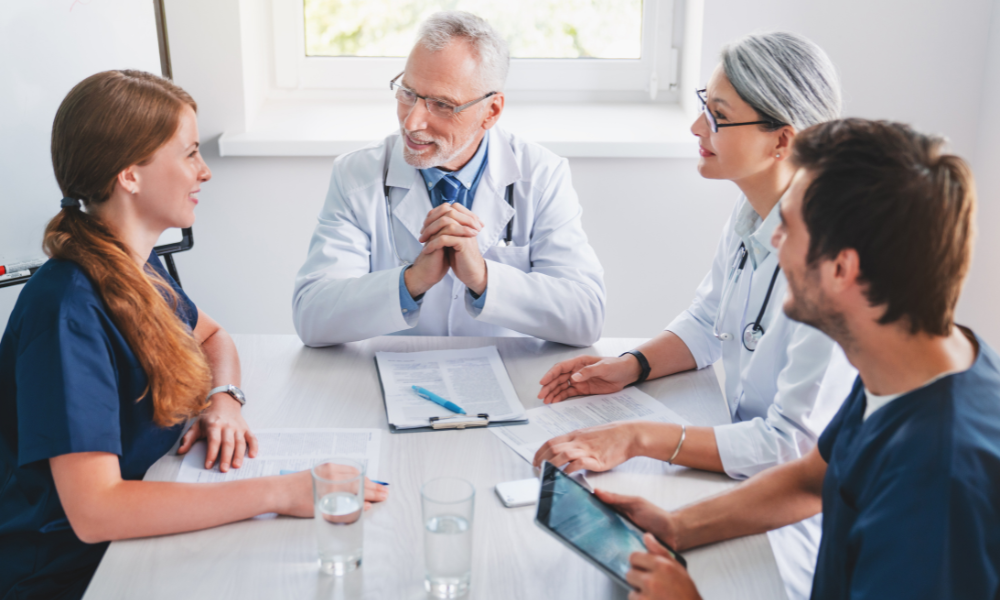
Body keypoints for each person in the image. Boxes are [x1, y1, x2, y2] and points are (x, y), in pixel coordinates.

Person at [0, 71, 387, 599]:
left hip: (142, 527)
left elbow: (213, 337)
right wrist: (281, 491)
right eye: (188, 154)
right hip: (76, 572)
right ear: (130, 175)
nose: (204, 172)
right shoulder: (67, 308)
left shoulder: (135, 263)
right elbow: (95, 512)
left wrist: (223, 400)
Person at [607, 118, 999, 600]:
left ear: (841, 269)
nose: (774, 241)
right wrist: (676, 525)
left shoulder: (936, 485)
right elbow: (815, 478)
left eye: (788, 227)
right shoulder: (910, 358)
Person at [532, 32, 854, 600]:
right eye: (705, 105)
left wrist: (637, 437)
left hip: (791, 527)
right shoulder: (753, 207)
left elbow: (790, 450)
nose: (697, 127)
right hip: (737, 475)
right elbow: (710, 320)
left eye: (718, 115)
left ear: (782, 140)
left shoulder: (832, 260)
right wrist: (631, 364)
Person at [292, 11, 606, 347]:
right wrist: (411, 282)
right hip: (392, 376)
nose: (412, 122)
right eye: (408, 93)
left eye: (441, 104)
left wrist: (483, 278)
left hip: (508, 377)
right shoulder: (357, 175)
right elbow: (313, 318)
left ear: (492, 111)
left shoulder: (541, 175)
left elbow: (585, 318)